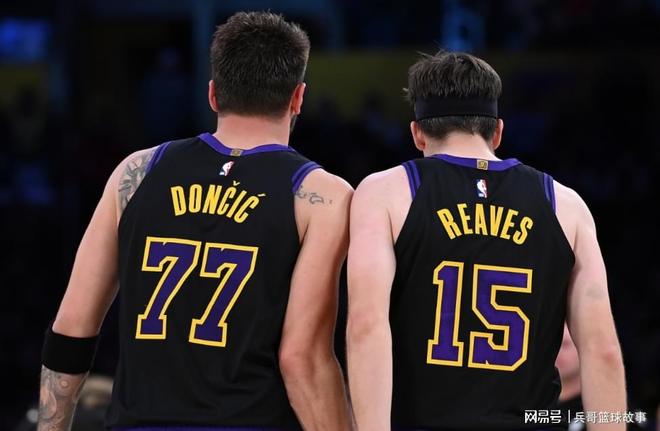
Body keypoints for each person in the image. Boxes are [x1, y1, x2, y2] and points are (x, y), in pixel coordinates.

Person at [38, 11, 352, 431]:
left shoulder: (138, 171)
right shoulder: (323, 195)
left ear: (213, 94)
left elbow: (71, 329)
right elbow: (302, 360)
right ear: (297, 98)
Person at [346, 50, 626, 430]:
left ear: (417, 134)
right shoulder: (566, 205)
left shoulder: (385, 192)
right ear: (497, 132)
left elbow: (366, 324)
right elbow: (602, 350)